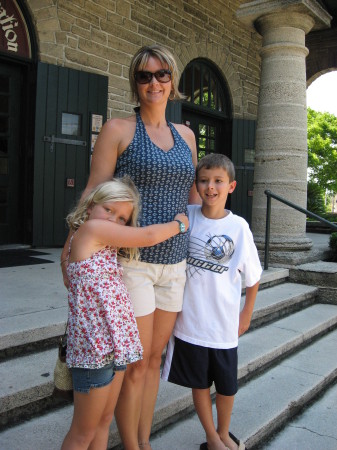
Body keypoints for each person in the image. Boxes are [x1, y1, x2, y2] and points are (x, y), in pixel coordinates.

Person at [60, 44, 199, 449]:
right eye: (144, 75)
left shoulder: (186, 135)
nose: (153, 82)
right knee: (135, 364)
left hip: (175, 262)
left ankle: (144, 440)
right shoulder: (119, 130)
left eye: (161, 75)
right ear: (135, 82)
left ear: (172, 80)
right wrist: (70, 250)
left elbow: (191, 197)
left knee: (154, 362)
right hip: (132, 261)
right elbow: (93, 194)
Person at [60, 177, 189, 450]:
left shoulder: (105, 243)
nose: (113, 220)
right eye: (108, 209)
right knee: (83, 432)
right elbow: (149, 237)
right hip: (93, 350)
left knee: (104, 421)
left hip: (116, 345)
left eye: (121, 218)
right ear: (92, 205)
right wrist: (180, 224)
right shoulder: (91, 230)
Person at [162, 154, 262, 450]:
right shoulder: (187, 217)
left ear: (231, 186)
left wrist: (246, 314)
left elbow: (253, 278)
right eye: (204, 181)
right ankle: (211, 437)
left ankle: (224, 432)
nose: (210, 187)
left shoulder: (239, 227)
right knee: (200, 383)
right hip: (191, 322)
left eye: (218, 181)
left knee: (227, 384)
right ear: (197, 184)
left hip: (224, 324)